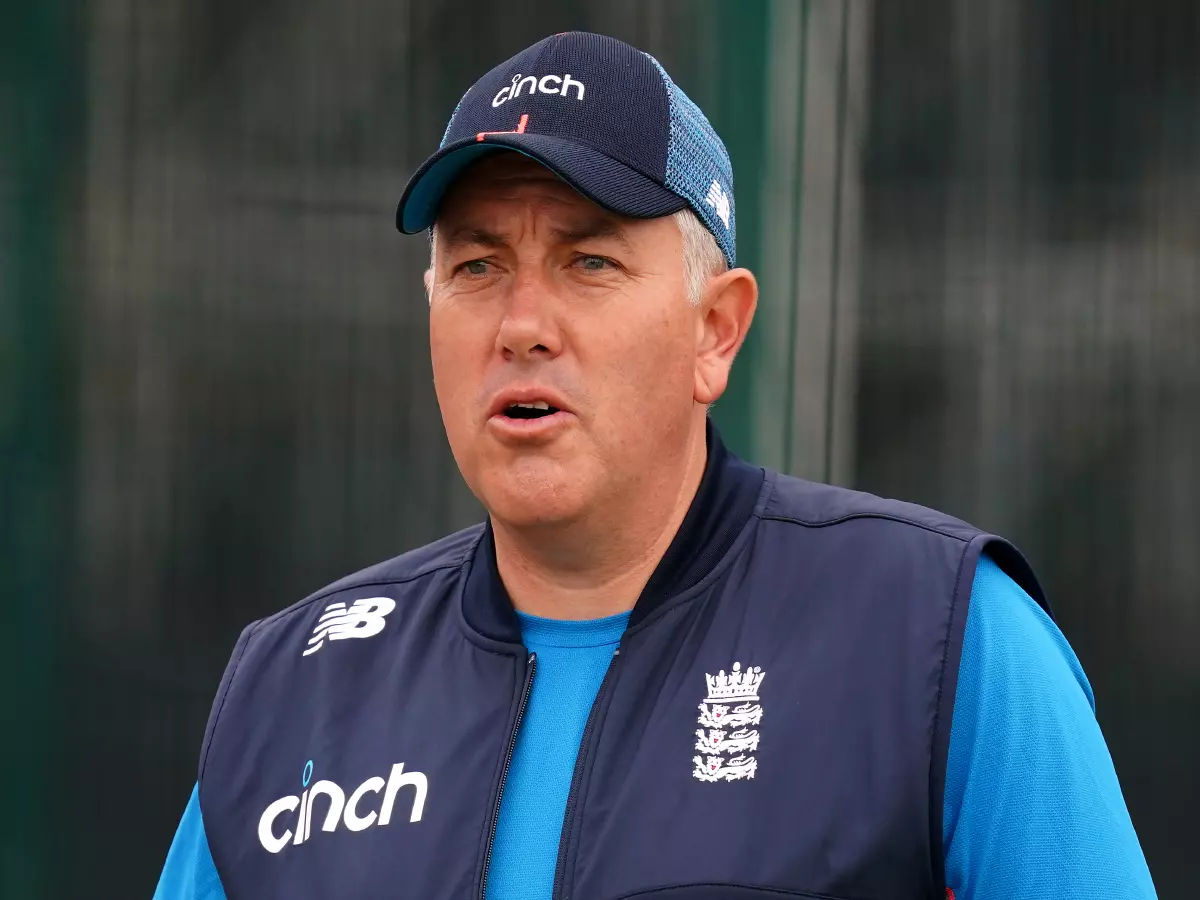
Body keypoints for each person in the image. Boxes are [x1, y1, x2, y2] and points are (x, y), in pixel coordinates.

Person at [153, 31, 1157, 900]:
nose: (523, 325)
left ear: (715, 332)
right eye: (476, 266)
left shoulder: (940, 639)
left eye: (589, 263)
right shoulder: (294, 695)